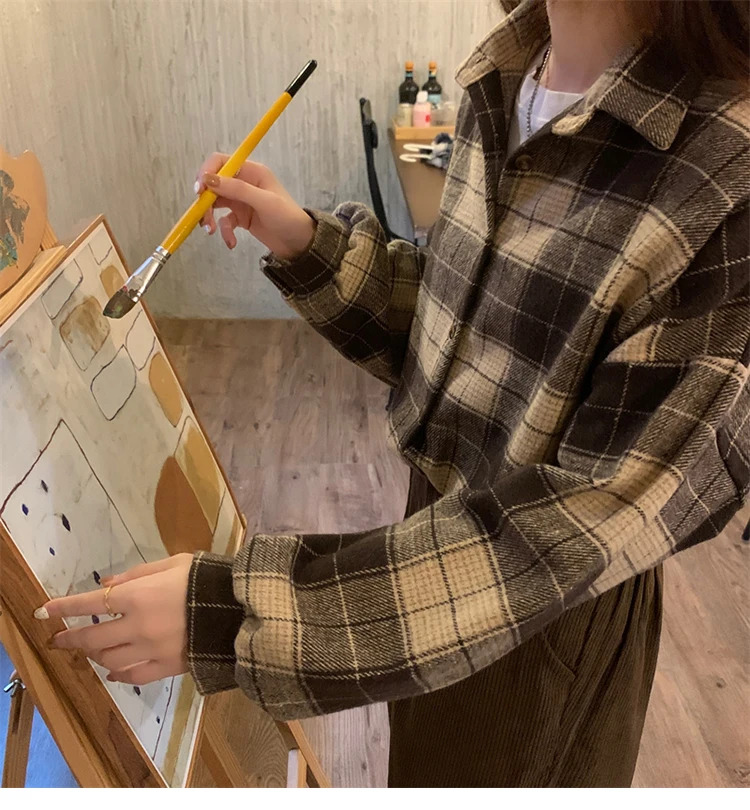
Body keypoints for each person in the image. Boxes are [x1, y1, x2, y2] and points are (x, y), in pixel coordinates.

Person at [38, 0, 749, 787]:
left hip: (543, 625)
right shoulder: (505, 73)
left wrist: (233, 614)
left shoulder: (728, 180)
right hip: (431, 541)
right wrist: (305, 241)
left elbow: (574, 528)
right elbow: (466, 331)